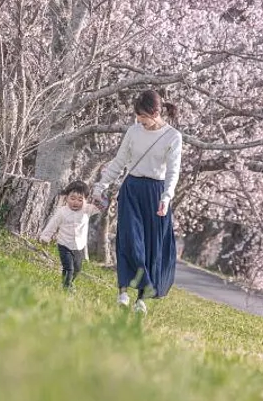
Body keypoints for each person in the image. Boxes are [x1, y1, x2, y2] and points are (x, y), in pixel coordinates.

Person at [92, 89, 183, 314]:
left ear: (155, 112)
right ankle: (123, 292)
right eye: (137, 116)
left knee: (150, 246)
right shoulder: (133, 131)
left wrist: (167, 197)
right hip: (131, 188)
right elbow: (120, 160)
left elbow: (173, 171)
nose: (139, 120)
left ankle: (141, 299)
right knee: (129, 240)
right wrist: (101, 185)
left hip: (155, 193)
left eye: (142, 116)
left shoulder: (173, 137)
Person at [39, 180, 99, 291]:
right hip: (64, 244)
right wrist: (45, 237)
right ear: (66, 198)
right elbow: (53, 224)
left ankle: (70, 282)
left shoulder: (87, 210)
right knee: (68, 268)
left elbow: (100, 207)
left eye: (80, 200)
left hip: (79, 246)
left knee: (77, 269)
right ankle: (66, 288)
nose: (75, 202)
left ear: (86, 200)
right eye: (72, 198)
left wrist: (100, 195)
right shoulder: (62, 212)